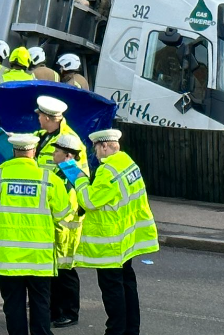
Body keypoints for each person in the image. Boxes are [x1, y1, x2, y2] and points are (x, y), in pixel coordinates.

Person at [0, 133, 71, 335]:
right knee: (40, 304)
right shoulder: (49, 179)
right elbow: (63, 213)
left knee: (13, 307)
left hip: (8, 258)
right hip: (39, 258)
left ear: (13, 152)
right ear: (34, 152)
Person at [74, 129, 159, 335]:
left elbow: (89, 200)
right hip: (126, 237)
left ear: (104, 146)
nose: (95, 154)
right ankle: (131, 330)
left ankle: (116, 331)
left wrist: (79, 179)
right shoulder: (127, 162)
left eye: (95, 149)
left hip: (110, 242)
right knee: (127, 283)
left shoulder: (108, 170)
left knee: (112, 290)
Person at [49, 133, 87, 328]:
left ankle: (70, 313)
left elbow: (73, 206)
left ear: (68, 156)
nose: (53, 154)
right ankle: (56, 312)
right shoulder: (61, 173)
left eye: (57, 151)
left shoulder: (73, 176)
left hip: (67, 233)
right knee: (57, 274)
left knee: (66, 274)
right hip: (59, 232)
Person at [33, 96, 89, 172]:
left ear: (47, 118)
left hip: (58, 183)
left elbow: (75, 174)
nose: (38, 118)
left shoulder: (69, 140)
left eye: (40, 115)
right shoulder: (42, 135)